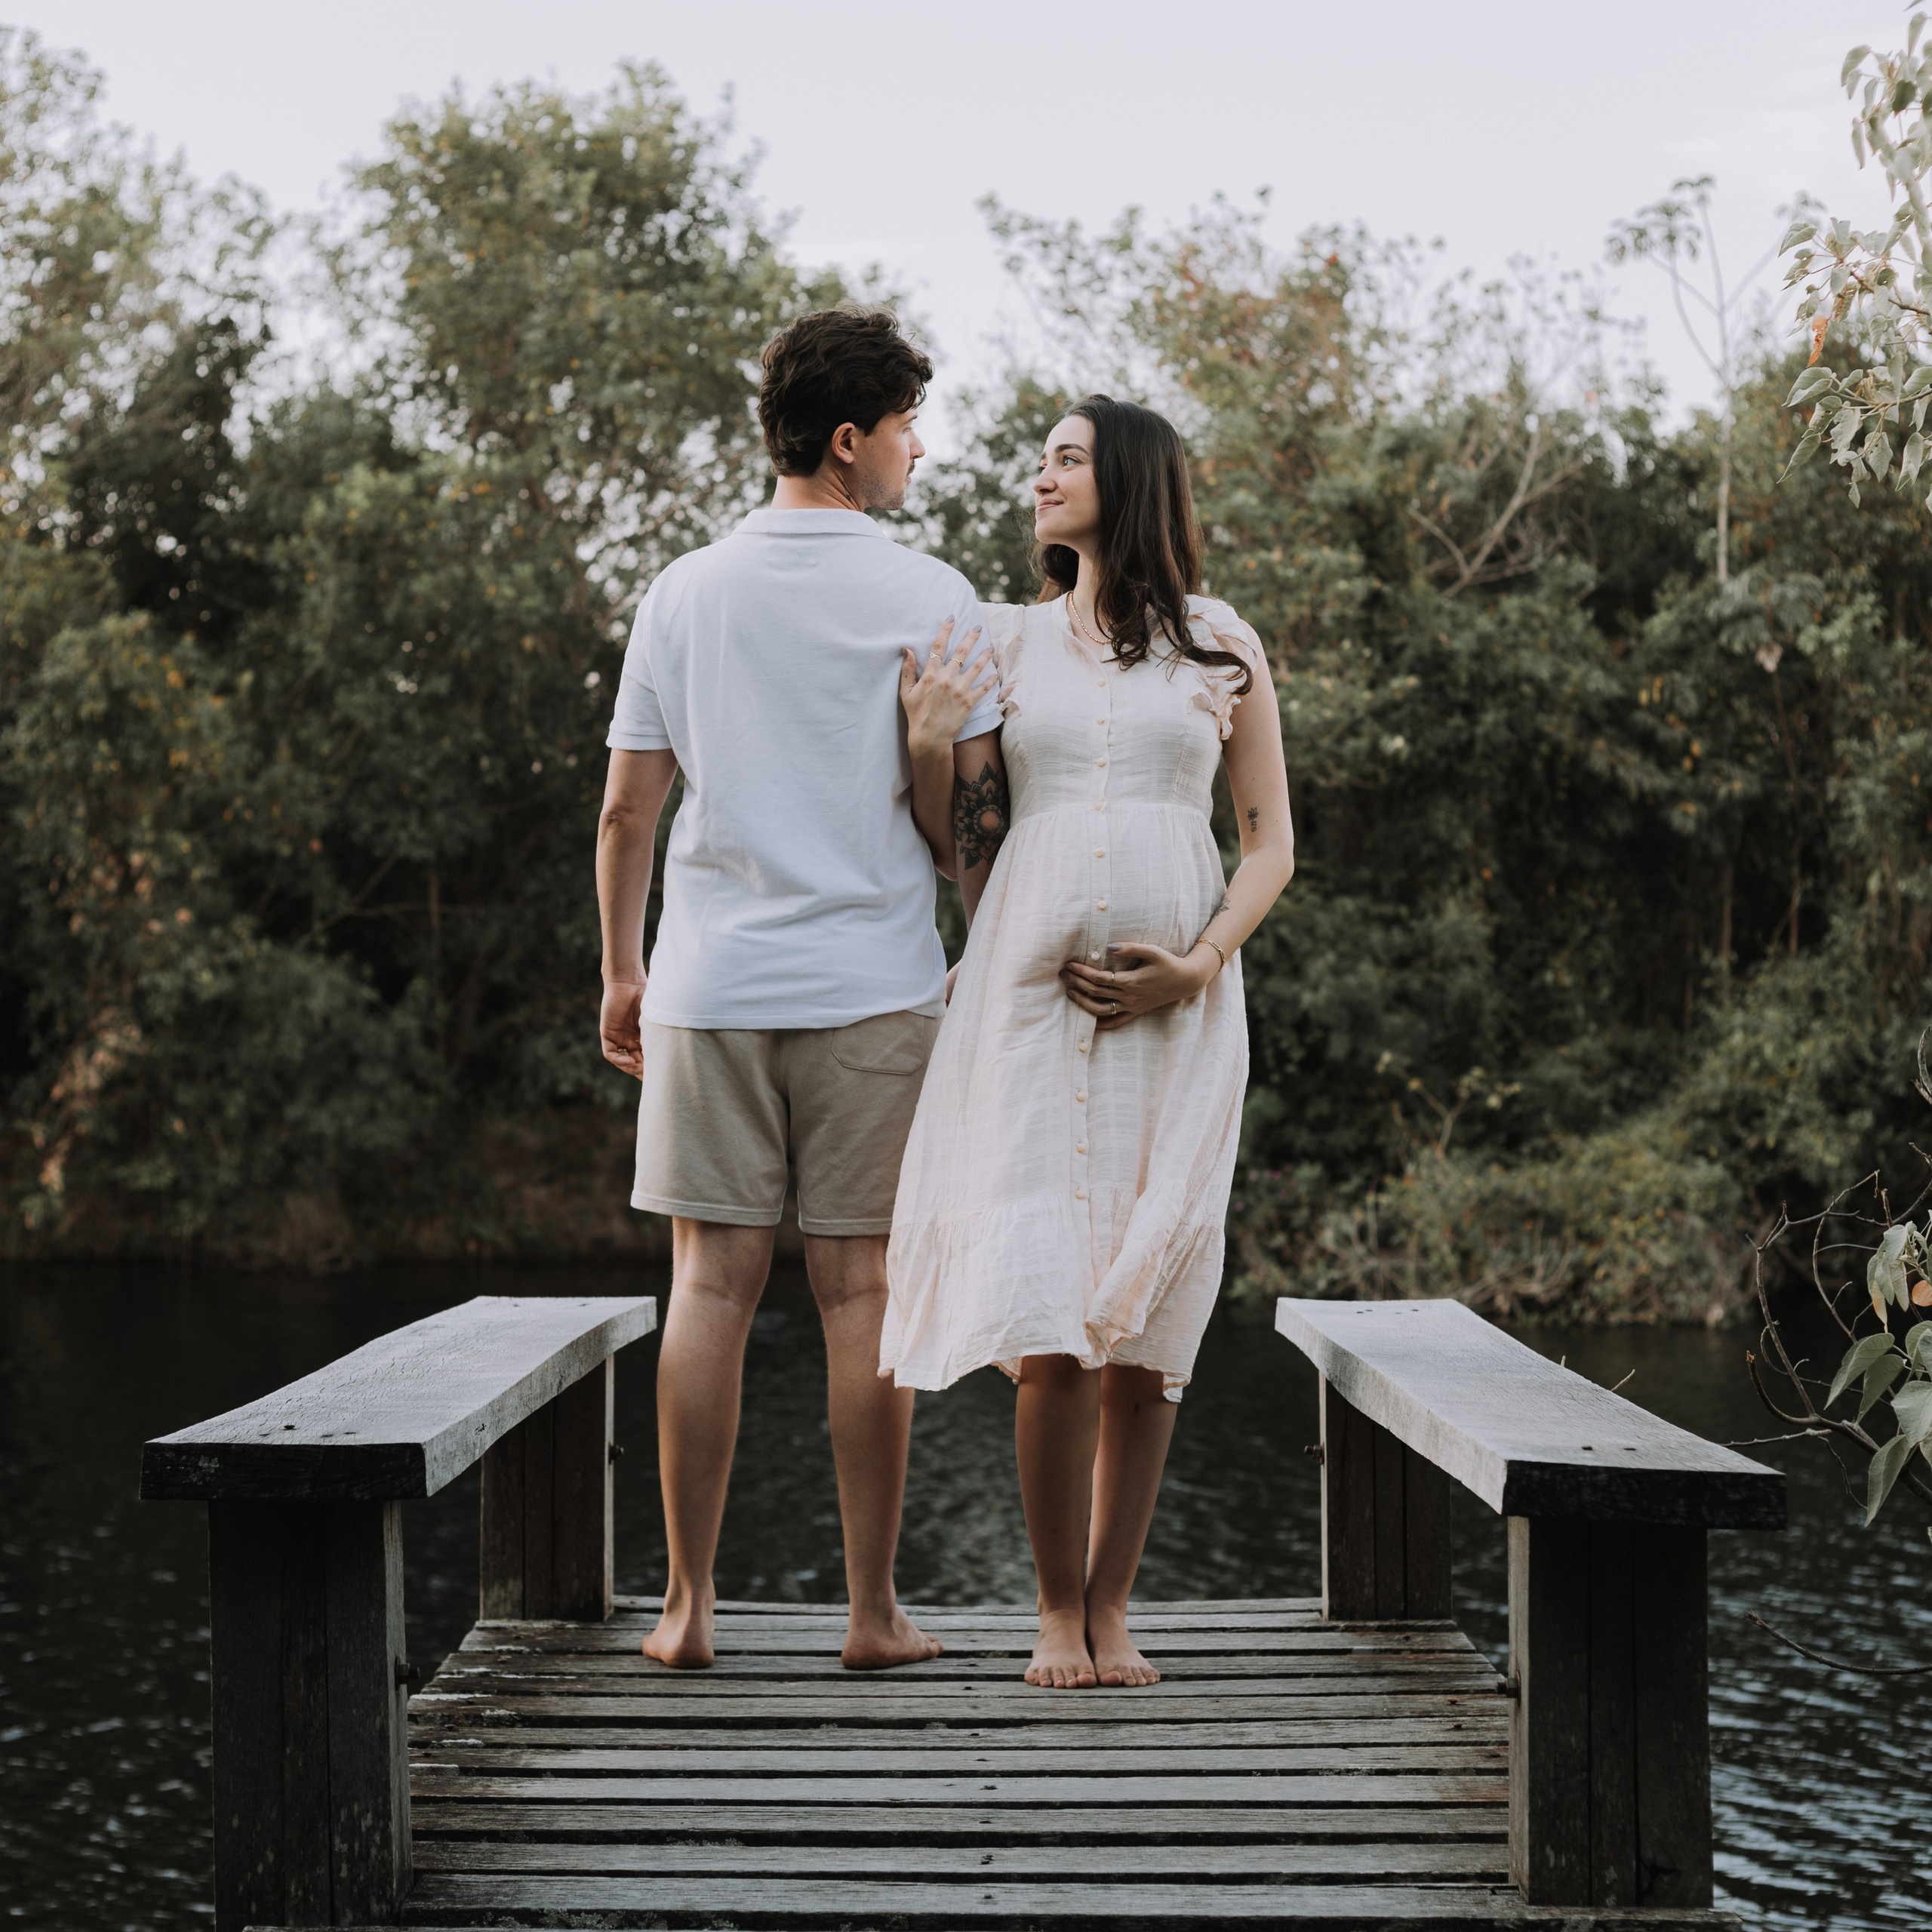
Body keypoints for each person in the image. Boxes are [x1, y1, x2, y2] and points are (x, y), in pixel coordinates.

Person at [595, 306, 1004, 1670]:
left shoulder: (683, 592)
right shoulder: (935, 598)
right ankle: (873, 1615)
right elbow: (967, 837)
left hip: (708, 986)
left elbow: (624, 816)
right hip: (875, 988)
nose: (917, 453)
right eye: (904, 430)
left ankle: (685, 1610)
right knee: (860, 1295)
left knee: (707, 1288)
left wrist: (621, 969)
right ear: (848, 441)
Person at [881, 395, 1296, 1690]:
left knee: (1149, 1314)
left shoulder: (1221, 646)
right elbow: (968, 847)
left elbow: (1272, 840)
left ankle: (1117, 1607)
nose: (1040, 475)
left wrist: (1199, 963)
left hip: (1179, 1014)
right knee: (1049, 1310)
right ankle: (1056, 1612)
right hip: (1028, 1002)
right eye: (1041, 460)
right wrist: (924, 744)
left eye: (1064, 458)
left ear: (1127, 478)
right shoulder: (1003, 643)